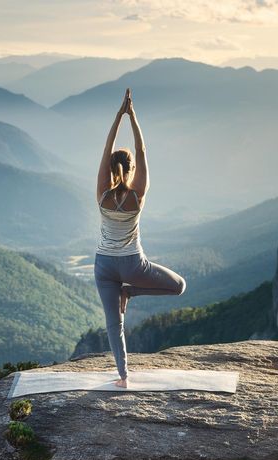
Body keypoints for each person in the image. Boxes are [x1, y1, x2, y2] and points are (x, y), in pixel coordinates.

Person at [94, 88, 187, 389]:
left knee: (113, 324)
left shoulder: (102, 194)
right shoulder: (138, 195)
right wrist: (132, 117)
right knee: (178, 287)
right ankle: (130, 293)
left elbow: (107, 148)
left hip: (104, 265)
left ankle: (123, 376)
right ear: (132, 170)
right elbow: (142, 150)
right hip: (134, 266)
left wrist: (118, 115)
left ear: (109, 168)